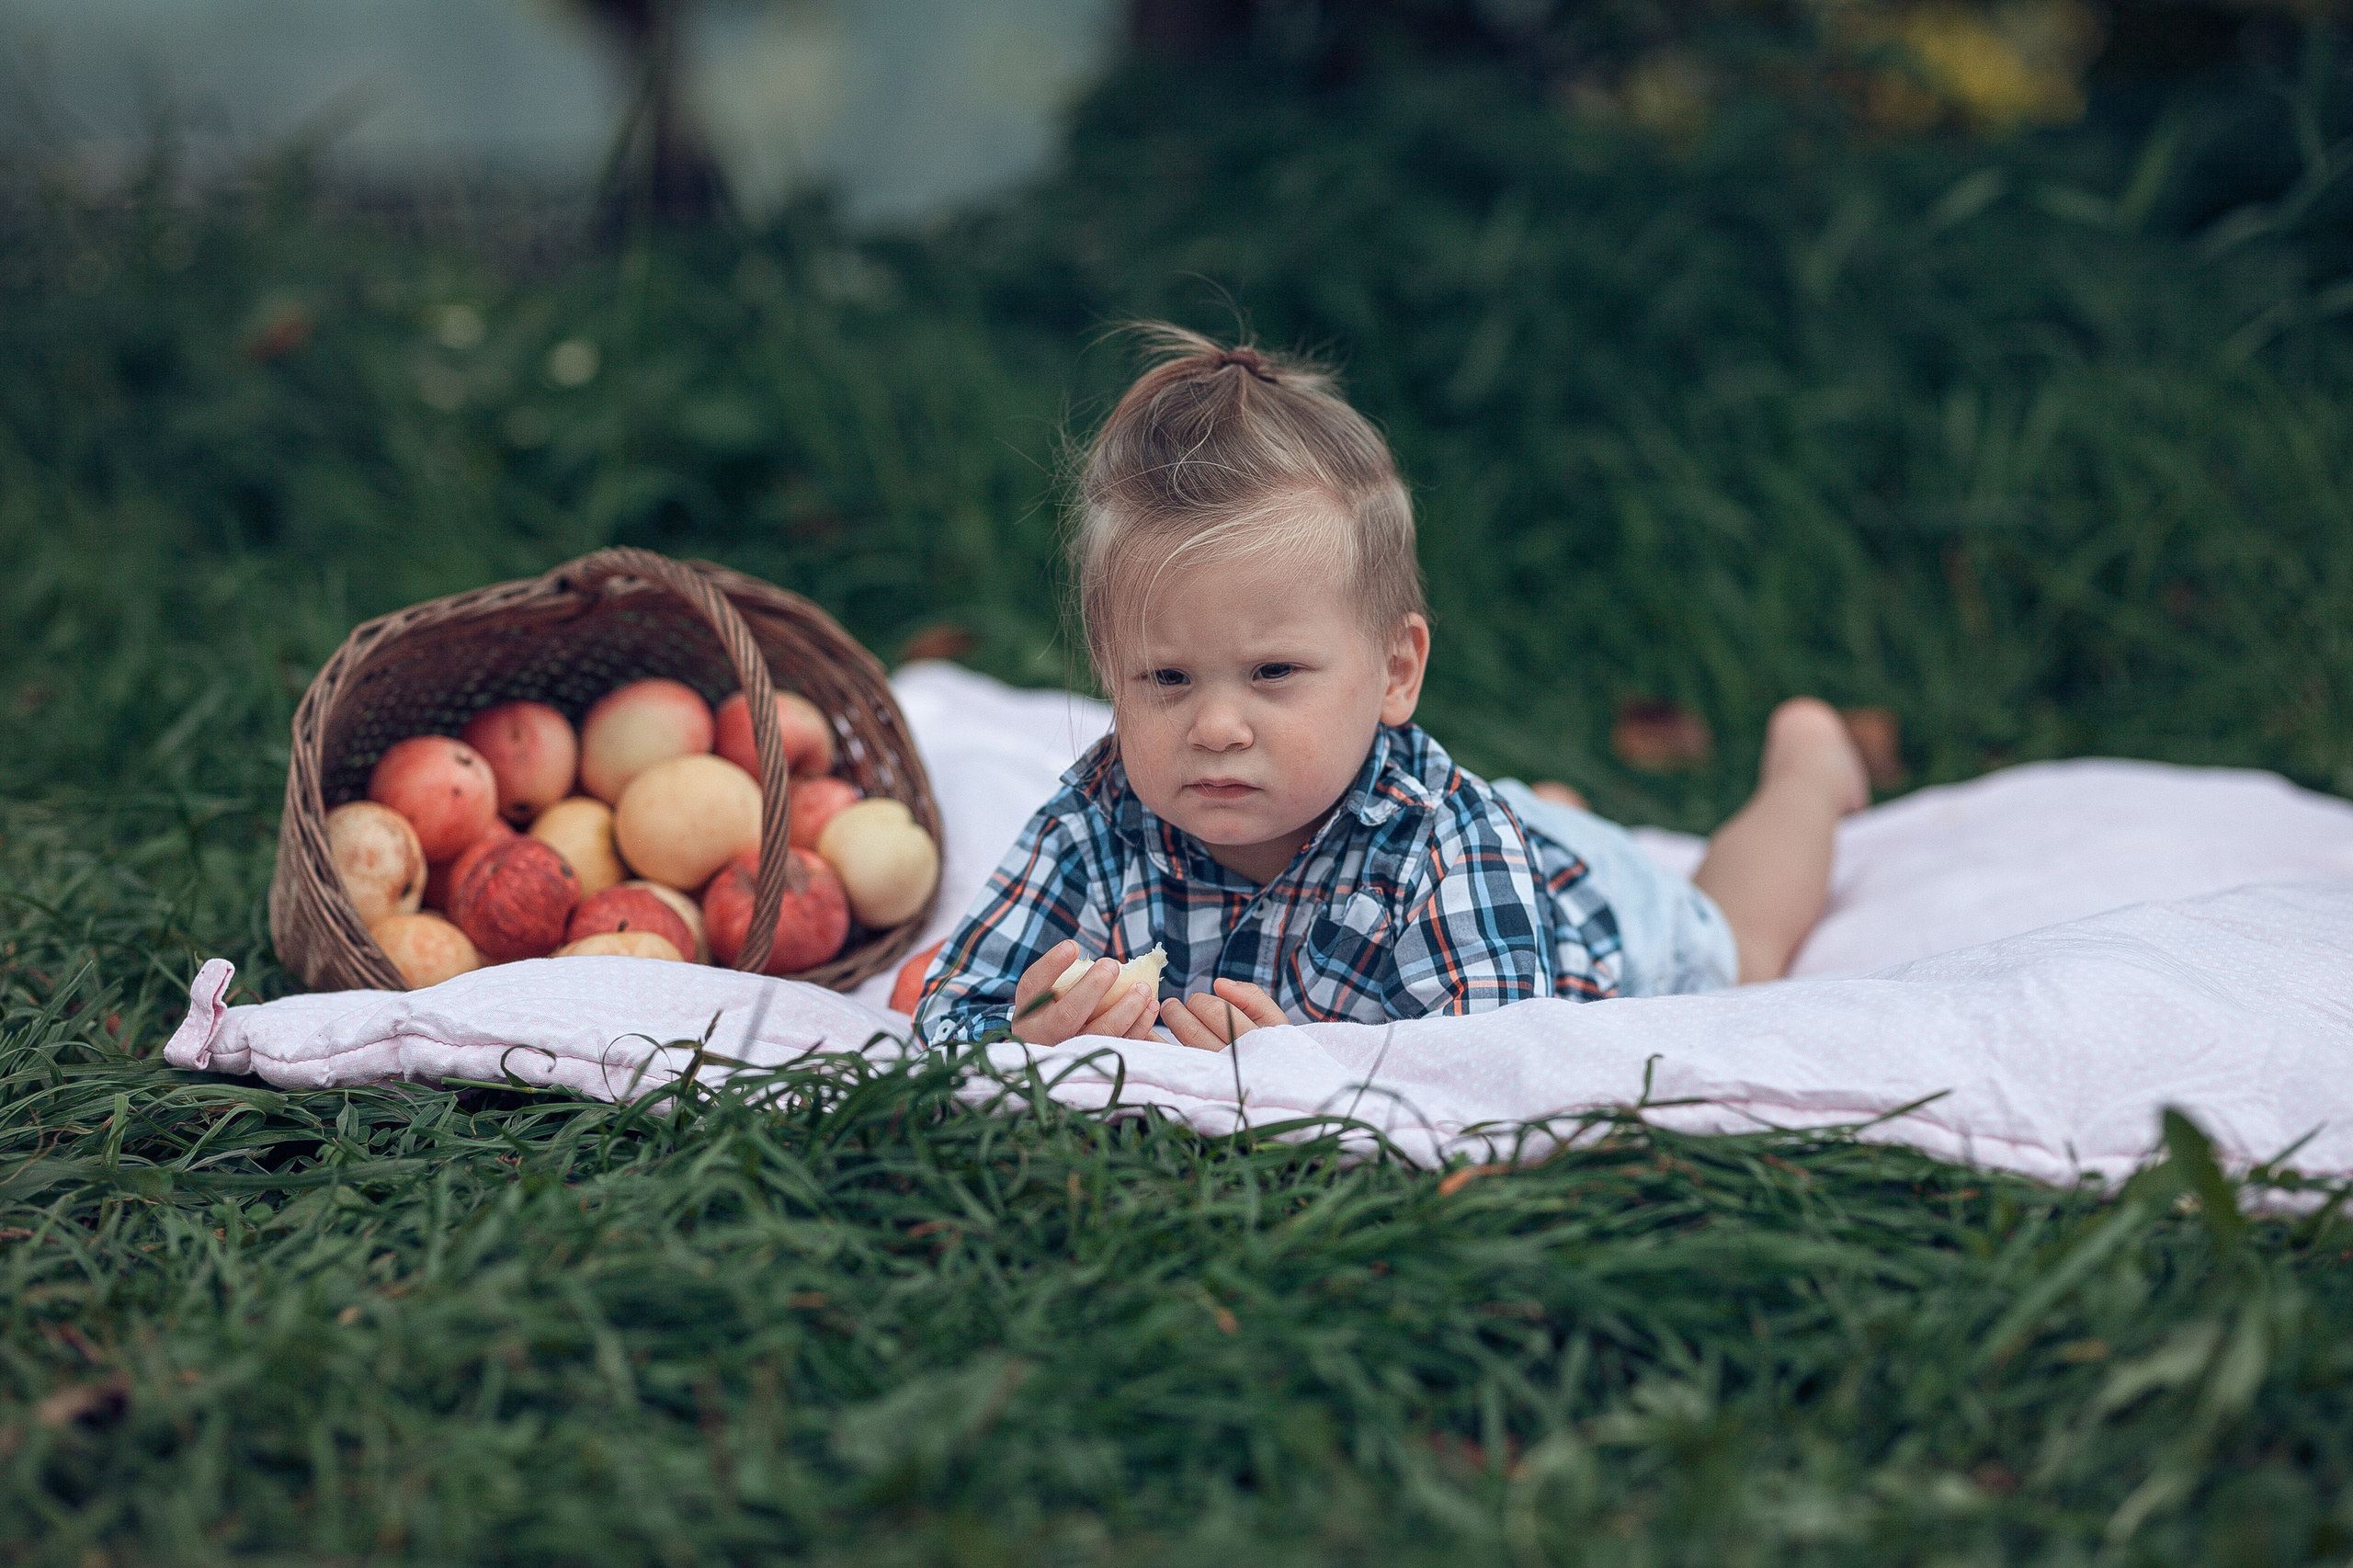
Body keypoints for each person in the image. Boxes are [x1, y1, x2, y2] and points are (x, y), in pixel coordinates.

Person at [917, 326, 1869, 1051]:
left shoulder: (1439, 848)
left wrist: (1303, 1078)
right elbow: (944, 1011)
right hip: (1502, 853)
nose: (1213, 725)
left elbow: (1499, 1072)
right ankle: (1553, 817)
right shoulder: (1093, 820)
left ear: (1396, 671)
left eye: (1272, 673)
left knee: (1737, 941)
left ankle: (1809, 770)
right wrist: (1028, 1038)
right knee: (1527, 828)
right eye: (1164, 678)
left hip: (1580, 929)